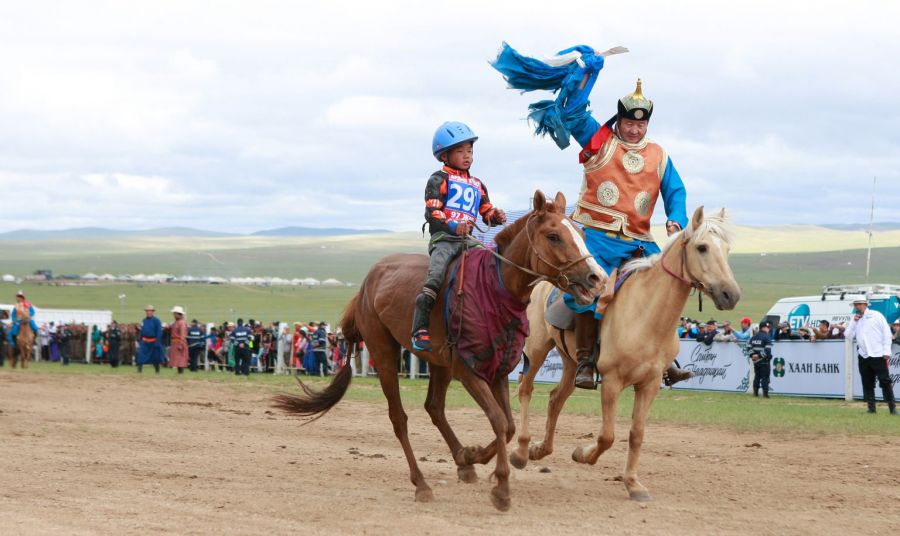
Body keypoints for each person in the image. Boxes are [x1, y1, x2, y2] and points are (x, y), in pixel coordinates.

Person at [493, 44, 691, 389]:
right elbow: (572, 112)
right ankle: (585, 358)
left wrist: (677, 217)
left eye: (640, 125)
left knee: (666, 286)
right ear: (621, 121)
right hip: (596, 235)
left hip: (640, 241)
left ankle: (665, 359)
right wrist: (588, 74)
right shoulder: (600, 140)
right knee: (586, 285)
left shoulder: (660, 155)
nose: (634, 130)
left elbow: (676, 190)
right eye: (629, 122)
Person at [410, 121, 507, 352]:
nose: (467, 156)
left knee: (494, 273)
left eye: (470, 151)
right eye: (460, 151)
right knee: (435, 278)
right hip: (444, 240)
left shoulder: (478, 184)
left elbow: (486, 213)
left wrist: (497, 216)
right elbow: (432, 213)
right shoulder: (438, 179)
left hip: (469, 242)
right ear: (445, 155)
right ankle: (419, 329)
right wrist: (454, 227)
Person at [845, 296, 895, 414]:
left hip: (878, 354)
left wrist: (886, 351)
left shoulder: (877, 315)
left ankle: (892, 408)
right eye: (856, 305)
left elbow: (887, 334)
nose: (857, 307)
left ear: (865, 305)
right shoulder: (855, 320)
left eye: (859, 304)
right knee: (867, 382)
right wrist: (854, 322)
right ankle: (871, 408)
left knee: (885, 381)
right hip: (863, 355)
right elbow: (848, 335)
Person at [748, 321, 774, 397]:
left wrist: (753, 355)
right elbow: (768, 351)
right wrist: (759, 356)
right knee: (765, 378)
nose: (769, 329)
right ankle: (765, 394)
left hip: (756, 362)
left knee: (757, 377)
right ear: (764, 328)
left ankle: (755, 393)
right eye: (768, 327)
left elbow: (749, 348)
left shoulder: (753, 337)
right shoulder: (767, 337)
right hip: (764, 362)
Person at [136, 305, 164, 374]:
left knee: (155, 358)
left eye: (149, 311)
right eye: (147, 311)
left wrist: (157, 342)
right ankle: (139, 371)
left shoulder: (157, 321)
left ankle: (157, 372)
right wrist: (140, 341)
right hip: (145, 342)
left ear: (153, 312)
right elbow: (142, 331)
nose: (148, 312)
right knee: (140, 356)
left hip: (153, 342)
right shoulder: (144, 320)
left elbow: (159, 332)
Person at [168, 306, 189, 374]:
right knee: (177, 359)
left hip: (179, 342)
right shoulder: (176, 322)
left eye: (175, 313)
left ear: (178, 314)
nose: (174, 315)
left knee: (180, 360)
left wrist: (181, 344)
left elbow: (183, 335)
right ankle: (179, 372)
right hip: (175, 342)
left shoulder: (181, 323)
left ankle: (181, 372)